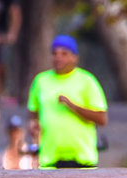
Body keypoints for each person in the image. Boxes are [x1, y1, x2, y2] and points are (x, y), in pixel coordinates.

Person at [26, 35, 108, 169]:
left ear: (75, 57)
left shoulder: (87, 81)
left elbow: (101, 118)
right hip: (49, 160)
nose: (58, 57)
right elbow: (33, 112)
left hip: (82, 160)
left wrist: (72, 106)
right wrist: (33, 124)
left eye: (64, 53)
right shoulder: (41, 81)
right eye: (54, 53)